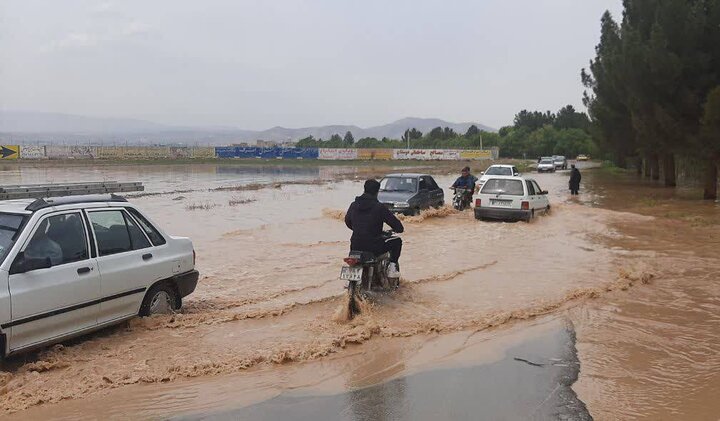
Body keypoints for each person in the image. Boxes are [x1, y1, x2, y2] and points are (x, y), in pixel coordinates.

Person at [345, 179, 405, 278]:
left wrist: (359, 229)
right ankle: (392, 269)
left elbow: (347, 221)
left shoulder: (353, 205)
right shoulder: (379, 207)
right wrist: (398, 229)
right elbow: (397, 226)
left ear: (364, 189)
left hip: (355, 246)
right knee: (397, 241)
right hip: (374, 246)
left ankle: (349, 280)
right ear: (377, 192)